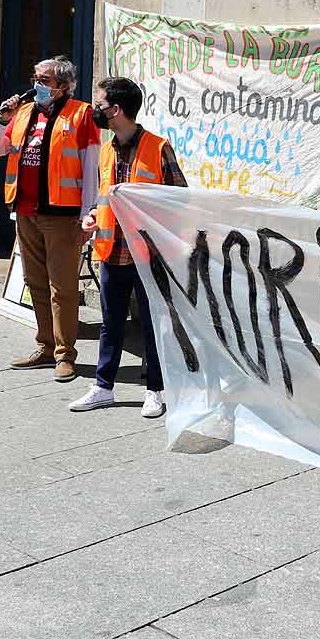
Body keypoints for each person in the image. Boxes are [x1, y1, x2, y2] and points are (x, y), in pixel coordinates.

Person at [70, 77, 186, 417]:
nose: (96, 110)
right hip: (111, 250)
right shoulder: (106, 149)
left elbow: (179, 198)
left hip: (147, 254)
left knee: (152, 322)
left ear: (116, 110)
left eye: (100, 104)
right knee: (111, 323)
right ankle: (103, 387)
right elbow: (103, 196)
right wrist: (93, 215)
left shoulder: (158, 146)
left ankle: (155, 389)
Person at [0, 56, 99, 381]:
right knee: (35, 283)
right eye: (35, 76)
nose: (37, 84)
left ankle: (65, 355)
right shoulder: (21, 113)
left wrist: (88, 213)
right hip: (25, 211)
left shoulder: (81, 113)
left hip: (62, 215)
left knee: (61, 287)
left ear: (63, 86)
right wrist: (1, 119)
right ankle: (45, 347)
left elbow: (91, 167)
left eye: (44, 79)